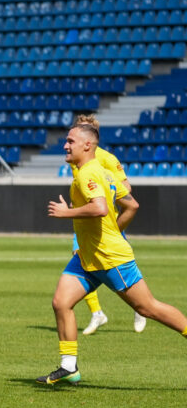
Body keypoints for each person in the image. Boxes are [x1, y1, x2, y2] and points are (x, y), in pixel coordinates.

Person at [40, 122, 187, 385]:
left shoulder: (89, 174)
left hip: (110, 258)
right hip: (87, 256)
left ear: (87, 145)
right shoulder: (101, 172)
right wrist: (116, 231)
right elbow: (132, 204)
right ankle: (68, 367)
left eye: (70, 141)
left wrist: (67, 214)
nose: (65, 145)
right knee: (61, 302)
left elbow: (99, 209)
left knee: (148, 308)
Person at [70, 114, 147, 335]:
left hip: (106, 221)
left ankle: (140, 307)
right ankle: (97, 313)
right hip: (85, 222)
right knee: (80, 259)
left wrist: (103, 194)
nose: (70, 141)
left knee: (118, 272)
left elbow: (126, 188)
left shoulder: (106, 158)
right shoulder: (74, 156)